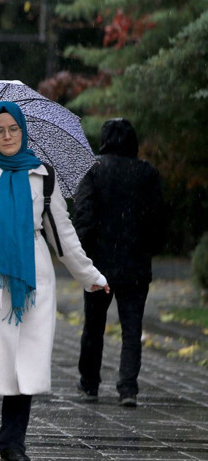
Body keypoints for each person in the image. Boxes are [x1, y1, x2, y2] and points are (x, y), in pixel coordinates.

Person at [0, 101, 109, 461]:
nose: (7, 136)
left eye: (13, 129)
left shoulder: (43, 175)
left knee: (22, 364)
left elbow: (62, 234)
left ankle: (13, 443)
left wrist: (89, 275)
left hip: (31, 278)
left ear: (24, 130)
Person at [73, 118, 163, 407]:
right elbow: (157, 219)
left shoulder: (94, 170)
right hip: (135, 265)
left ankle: (89, 383)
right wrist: (146, 248)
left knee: (94, 326)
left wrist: (84, 253)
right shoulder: (147, 173)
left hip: (99, 264)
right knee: (132, 329)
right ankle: (127, 388)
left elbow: (83, 215)